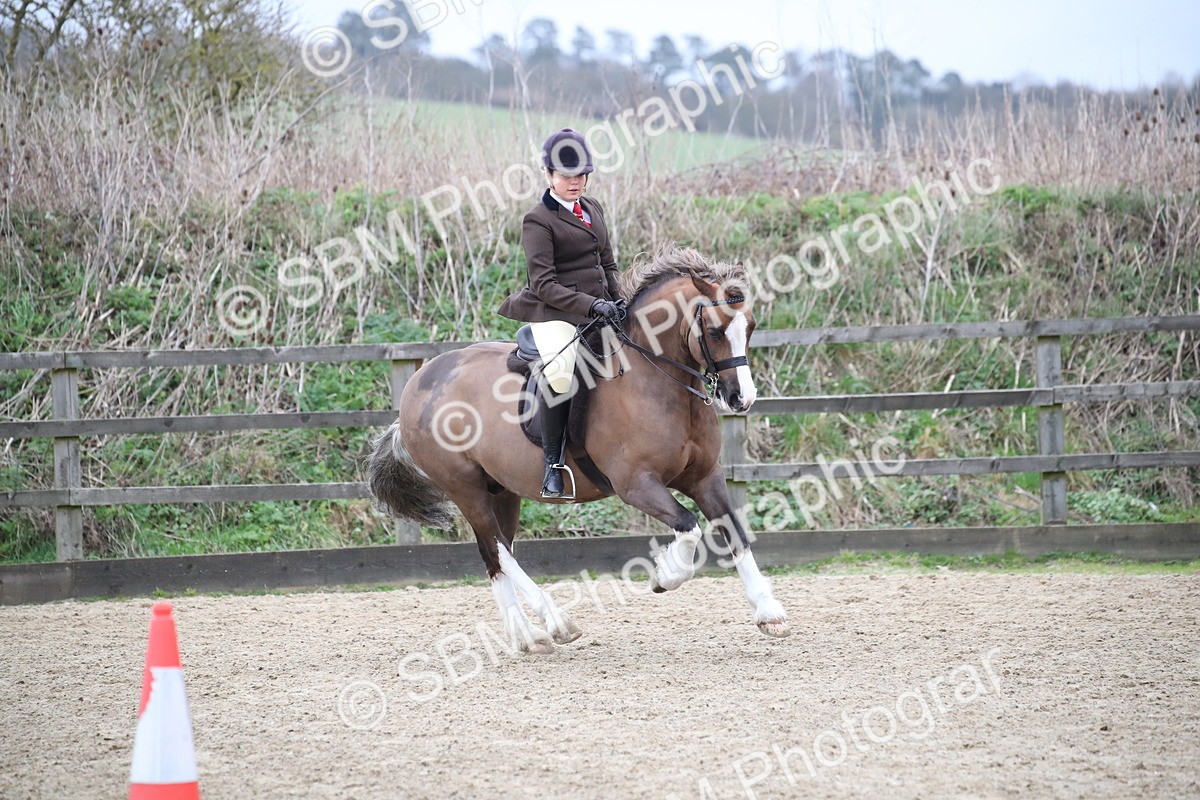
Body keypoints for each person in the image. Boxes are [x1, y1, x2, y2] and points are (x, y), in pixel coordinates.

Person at [497, 128, 623, 498]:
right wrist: (590, 305)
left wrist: (620, 302)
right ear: (550, 175)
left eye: (582, 175)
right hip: (556, 313)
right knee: (562, 369)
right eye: (568, 176)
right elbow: (544, 284)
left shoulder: (593, 208)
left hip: (598, 308)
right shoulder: (538, 220)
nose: (576, 182)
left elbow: (608, 263)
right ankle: (552, 463)